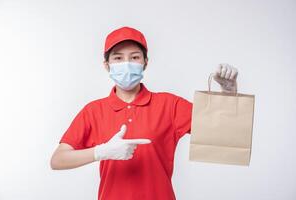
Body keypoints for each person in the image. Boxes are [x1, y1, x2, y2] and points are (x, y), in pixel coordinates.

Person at [50, 26, 238, 200]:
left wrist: (229, 93)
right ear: (107, 65)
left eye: (134, 57)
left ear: (145, 63)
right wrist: (101, 152)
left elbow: (223, 133)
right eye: (118, 58)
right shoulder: (93, 111)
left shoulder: (169, 105)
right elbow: (58, 160)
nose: (127, 63)